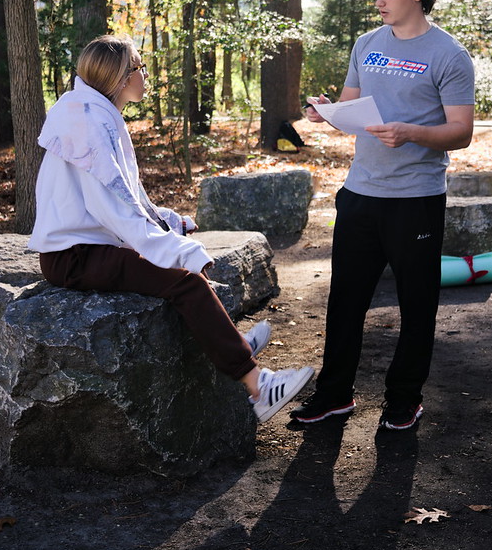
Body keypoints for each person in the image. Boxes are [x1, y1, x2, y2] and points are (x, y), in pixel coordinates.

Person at [28, 34, 313, 423]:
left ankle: (231, 341)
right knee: (186, 281)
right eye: (139, 67)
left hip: (84, 246)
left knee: (179, 272)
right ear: (119, 78)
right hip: (74, 257)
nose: (145, 74)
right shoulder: (90, 127)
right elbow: (113, 209)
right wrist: (179, 251)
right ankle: (258, 386)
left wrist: (167, 222)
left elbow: (123, 197)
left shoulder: (91, 114)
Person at [291, 0, 475, 430]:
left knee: (417, 305)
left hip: (415, 199)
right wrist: (326, 113)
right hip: (359, 194)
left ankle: (404, 398)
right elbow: (352, 108)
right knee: (346, 300)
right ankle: (334, 395)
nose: (379, 1)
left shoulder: (449, 55)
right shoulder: (367, 44)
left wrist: (411, 132)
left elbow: (461, 131)